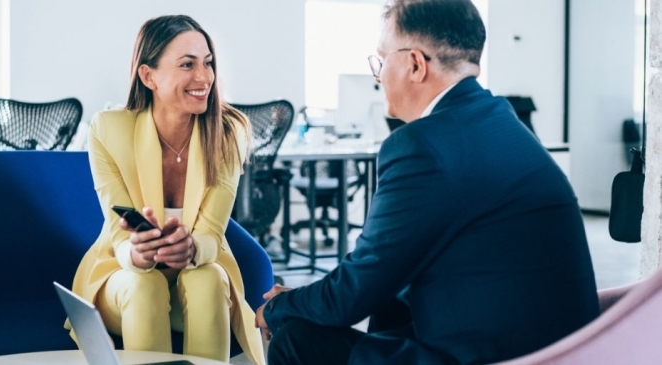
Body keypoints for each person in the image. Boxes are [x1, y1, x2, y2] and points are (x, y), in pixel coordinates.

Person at [255, 1, 599, 364]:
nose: (377, 75)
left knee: (297, 338)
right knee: (390, 302)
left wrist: (279, 307)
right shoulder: (497, 118)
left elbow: (351, 295)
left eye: (381, 60)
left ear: (415, 65)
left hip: (499, 355)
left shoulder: (422, 147)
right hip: (557, 347)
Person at [66, 15, 265, 365]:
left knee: (208, 277)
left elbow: (212, 233)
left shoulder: (228, 133)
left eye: (208, 63)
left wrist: (191, 248)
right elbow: (119, 237)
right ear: (149, 76)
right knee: (146, 286)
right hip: (124, 278)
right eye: (187, 64)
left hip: (197, 273)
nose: (204, 77)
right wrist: (138, 254)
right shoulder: (109, 130)